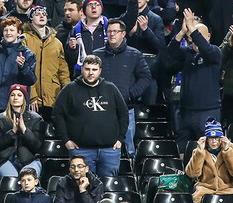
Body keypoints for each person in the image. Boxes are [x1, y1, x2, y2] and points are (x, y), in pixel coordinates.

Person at [52, 54, 128, 177]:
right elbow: (57, 115)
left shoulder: (111, 88)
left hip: (110, 151)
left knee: (108, 190)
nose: (90, 73)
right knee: (83, 189)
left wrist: (120, 138)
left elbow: (124, 114)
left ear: (100, 71)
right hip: (81, 151)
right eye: (87, 69)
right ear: (82, 69)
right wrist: (66, 140)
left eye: (94, 69)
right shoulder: (69, 89)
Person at [164, 9, 223, 151]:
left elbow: (205, 48)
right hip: (185, 110)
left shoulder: (215, 52)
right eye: (193, 35)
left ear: (208, 36)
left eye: (200, 35)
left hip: (207, 111)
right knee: (184, 147)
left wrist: (192, 28)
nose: (195, 38)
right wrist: (182, 32)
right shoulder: (188, 53)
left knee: (208, 148)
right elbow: (171, 52)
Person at [92, 18, 152, 156]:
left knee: (128, 148)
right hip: (100, 109)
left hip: (126, 109)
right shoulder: (97, 54)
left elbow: (145, 77)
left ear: (123, 34)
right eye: (109, 31)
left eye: (115, 31)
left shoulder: (135, 54)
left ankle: (129, 174)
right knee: (100, 146)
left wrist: (130, 94)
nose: (111, 34)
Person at [0, 17, 37, 128]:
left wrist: (23, 67)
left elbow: (31, 80)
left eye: (12, 30)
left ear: (19, 32)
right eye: (5, 30)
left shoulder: (27, 54)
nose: (8, 33)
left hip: (17, 106)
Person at [0, 84, 45, 179]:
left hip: (30, 160)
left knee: (27, 179)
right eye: (12, 95)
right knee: (12, 180)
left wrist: (24, 130)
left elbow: (38, 147)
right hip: (5, 159)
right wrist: (13, 132)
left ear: (24, 98)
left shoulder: (36, 119)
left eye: (19, 95)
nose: (15, 98)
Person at [185, 119, 233, 203]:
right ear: (206, 139)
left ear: (221, 139)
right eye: (211, 138)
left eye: (216, 138)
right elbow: (191, 174)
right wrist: (200, 153)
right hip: (204, 190)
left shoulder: (232, 150)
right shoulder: (198, 152)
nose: (214, 142)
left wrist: (227, 151)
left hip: (227, 189)